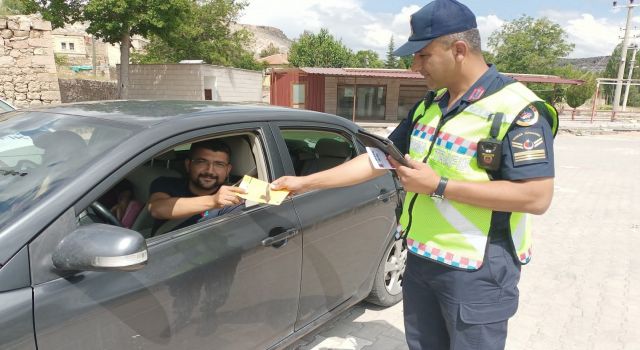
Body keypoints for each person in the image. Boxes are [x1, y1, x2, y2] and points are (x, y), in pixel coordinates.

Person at [271, 0, 558, 349]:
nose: (414, 66)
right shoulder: (429, 105)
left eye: (422, 56)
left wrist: (438, 186)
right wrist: (303, 183)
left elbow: (536, 197)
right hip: (421, 258)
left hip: (477, 269)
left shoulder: (518, 110)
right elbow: (380, 158)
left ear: (459, 49)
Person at [147, 140, 245, 235]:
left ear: (228, 170)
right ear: (188, 164)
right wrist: (213, 201)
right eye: (201, 162)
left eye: (219, 164)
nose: (210, 171)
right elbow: (157, 209)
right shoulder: (166, 183)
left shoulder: (232, 199)